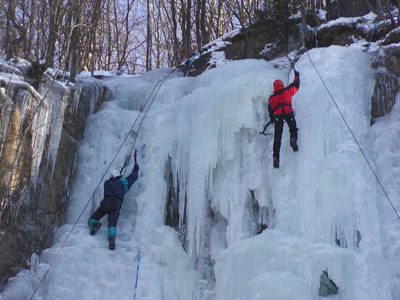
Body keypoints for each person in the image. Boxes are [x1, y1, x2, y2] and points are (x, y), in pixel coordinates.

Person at [88, 162, 139, 250]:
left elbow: (113, 180)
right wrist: (135, 169)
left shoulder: (106, 183)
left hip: (105, 204)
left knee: (92, 219)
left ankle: (94, 224)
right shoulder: (123, 183)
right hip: (116, 205)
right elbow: (132, 178)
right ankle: (111, 239)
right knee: (112, 223)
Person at [268, 69, 300, 168]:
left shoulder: (272, 97)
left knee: (277, 138)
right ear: (281, 84)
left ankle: (275, 157)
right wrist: (297, 76)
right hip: (287, 111)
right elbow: (296, 85)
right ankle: (293, 139)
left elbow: (270, 110)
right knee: (293, 128)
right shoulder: (287, 90)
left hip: (278, 115)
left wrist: (272, 119)